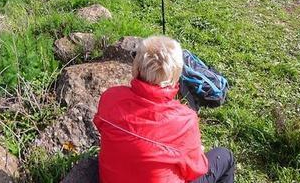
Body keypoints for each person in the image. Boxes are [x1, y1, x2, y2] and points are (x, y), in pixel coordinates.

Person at [93, 36, 236, 183]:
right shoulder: (185, 120)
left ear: (135, 68)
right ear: (175, 76)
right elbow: (196, 170)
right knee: (225, 157)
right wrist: (196, 151)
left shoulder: (110, 97)